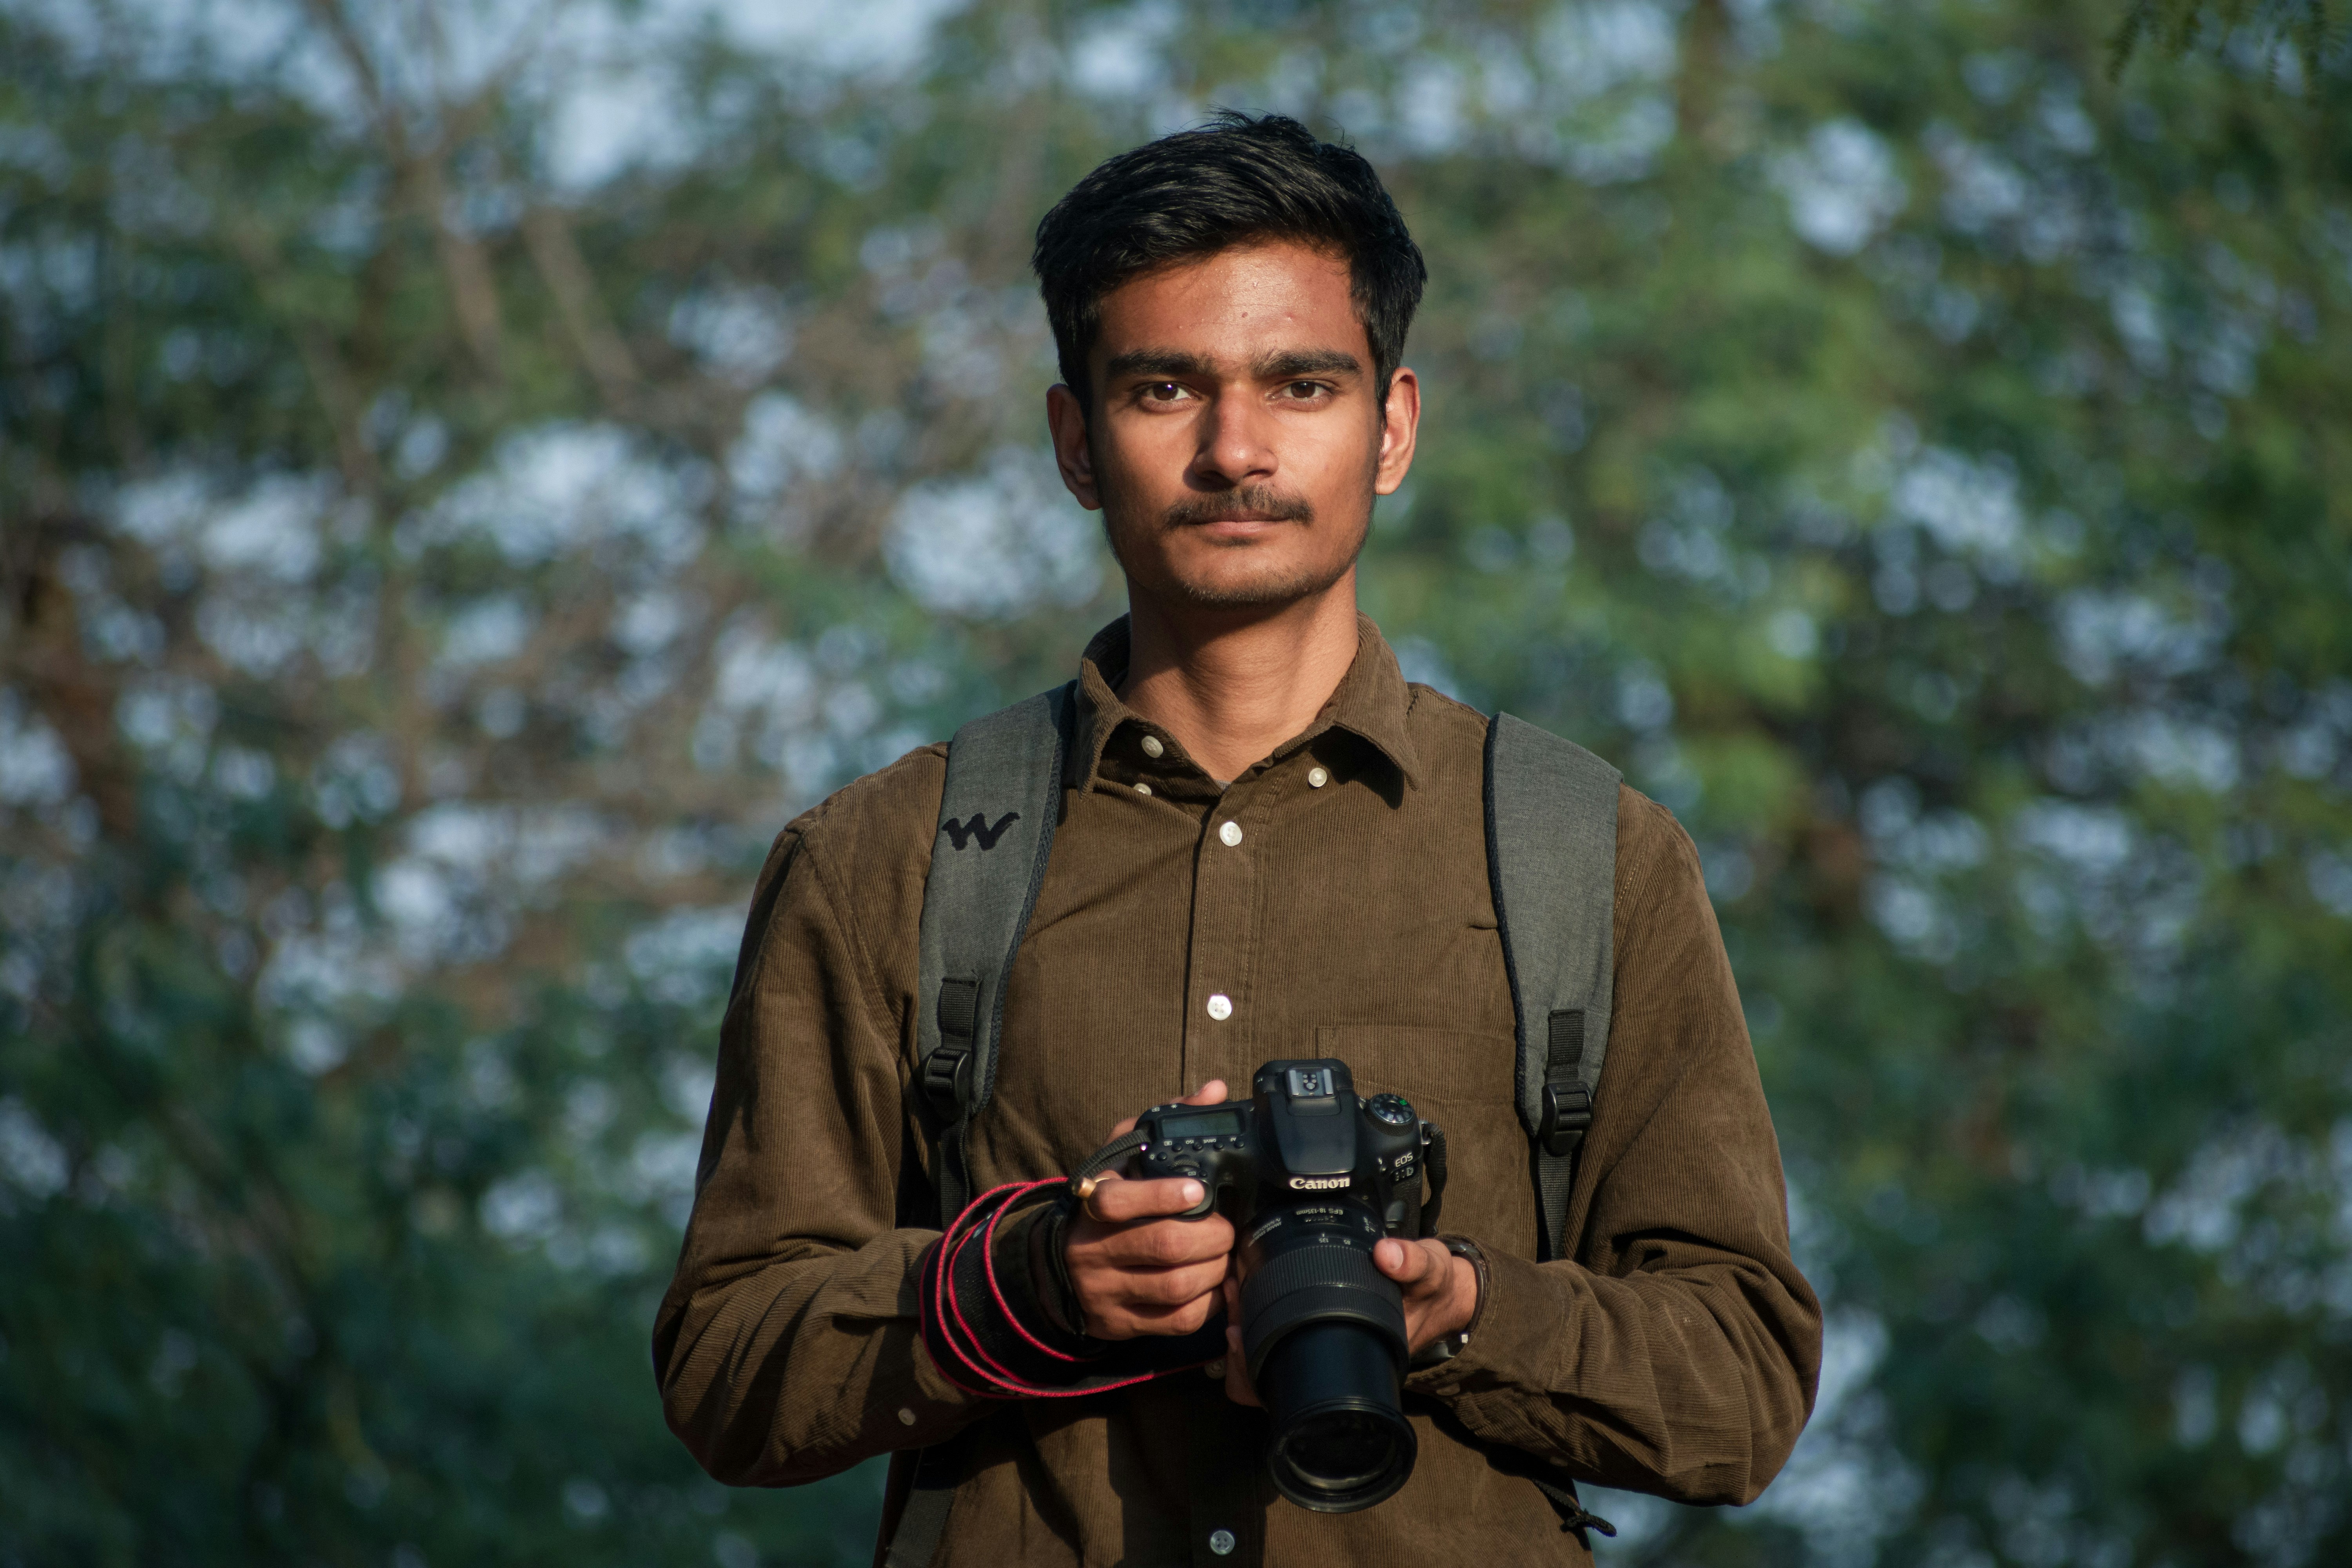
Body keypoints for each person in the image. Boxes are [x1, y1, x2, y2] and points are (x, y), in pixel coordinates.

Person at [654, 111, 1821, 1567]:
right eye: (1164, 388)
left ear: (1392, 429)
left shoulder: (1586, 857)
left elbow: (1742, 1385)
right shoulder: (891, 859)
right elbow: (726, 1361)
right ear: (1076, 442)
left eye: (1301, 384)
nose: (1235, 450)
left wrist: (1462, 1307)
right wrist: (1038, 1278)